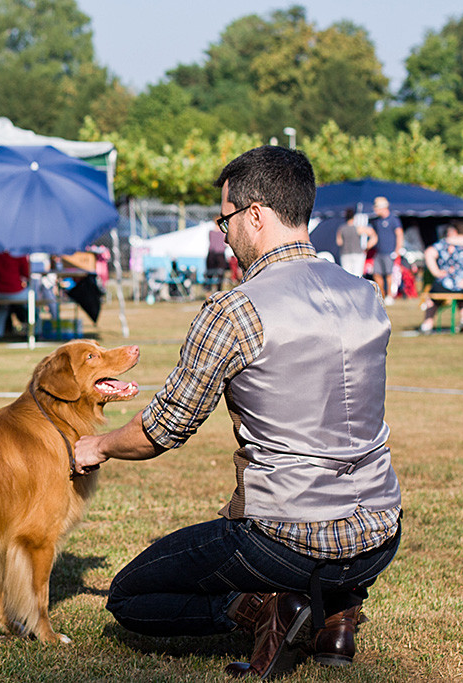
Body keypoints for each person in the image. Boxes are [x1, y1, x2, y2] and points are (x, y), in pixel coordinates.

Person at [73, 146, 401, 679]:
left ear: (255, 215)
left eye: (224, 219)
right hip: (382, 531)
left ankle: (262, 612)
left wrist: (96, 445)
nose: (222, 233)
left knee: (130, 596)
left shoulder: (237, 309)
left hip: (288, 535)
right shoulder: (366, 294)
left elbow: (162, 429)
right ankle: (337, 615)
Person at [420, 220, 463, 334]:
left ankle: (427, 324)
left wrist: (436, 272)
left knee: (434, 298)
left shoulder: (445, 243)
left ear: (453, 231)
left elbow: (428, 253)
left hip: (446, 283)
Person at [0, 244, 31, 339]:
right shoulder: (17, 250)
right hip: (13, 291)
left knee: (1, 307)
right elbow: (26, 272)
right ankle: (36, 331)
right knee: (34, 299)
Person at [369, 196, 404, 302]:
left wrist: (397, 250)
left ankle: (389, 295)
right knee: (376, 274)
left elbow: (399, 234)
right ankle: (382, 295)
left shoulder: (393, 219)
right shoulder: (376, 221)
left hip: (390, 252)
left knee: (389, 275)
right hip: (379, 252)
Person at [335, 207, 372, 277]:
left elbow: (339, 242)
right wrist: (368, 246)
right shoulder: (358, 228)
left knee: (347, 276)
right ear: (354, 217)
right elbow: (371, 233)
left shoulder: (341, 229)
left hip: (345, 253)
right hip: (358, 253)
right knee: (357, 275)